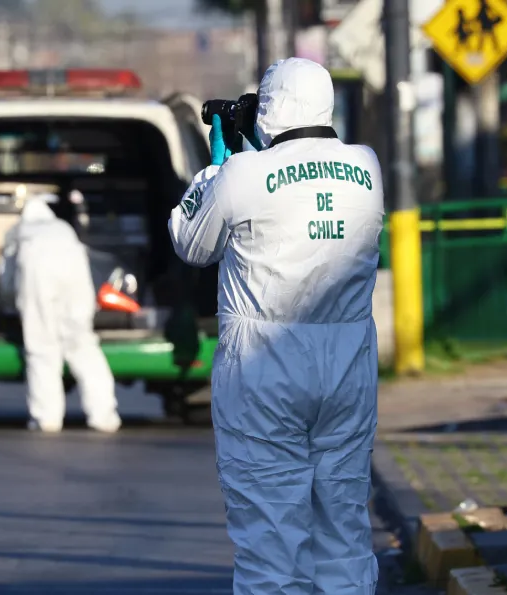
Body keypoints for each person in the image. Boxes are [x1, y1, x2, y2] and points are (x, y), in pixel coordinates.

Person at [169, 57, 386, 594]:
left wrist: (216, 168)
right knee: (344, 527)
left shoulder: (243, 175)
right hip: (348, 361)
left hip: (265, 365)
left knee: (270, 539)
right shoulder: (367, 166)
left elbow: (191, 243)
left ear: (267, 108)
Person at [0, 193, 122, 433]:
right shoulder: (63, 228)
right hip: (74, 271)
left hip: (37, 272)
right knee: (83, 344)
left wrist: (8, 303)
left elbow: (7, 278)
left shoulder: (18, 232)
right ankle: (104, 416)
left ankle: (47, 418)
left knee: (42, 347)